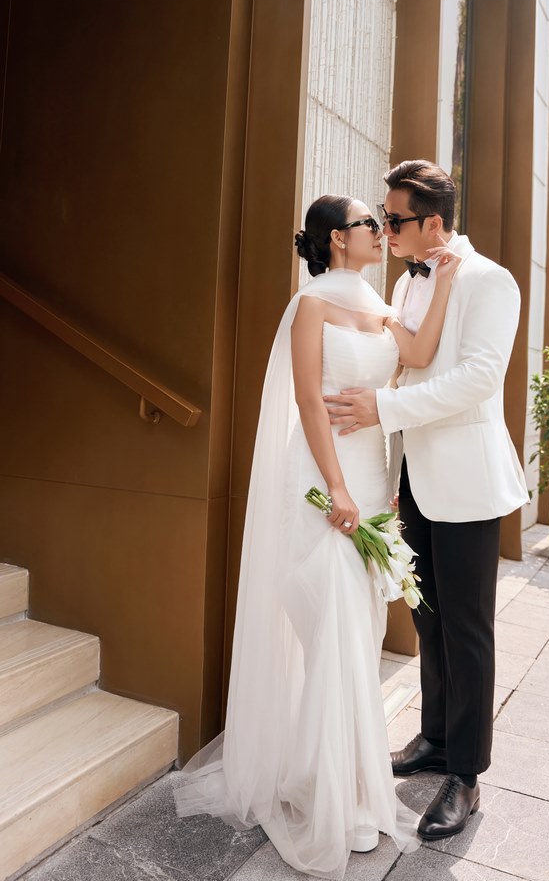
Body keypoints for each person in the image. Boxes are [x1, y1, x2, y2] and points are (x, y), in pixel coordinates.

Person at [173, 193, 461, 880]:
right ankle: (336, 801)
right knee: (333, 627)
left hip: (370, 481)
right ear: (337, 238)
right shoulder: (311, 305)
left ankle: (338, 783)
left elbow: (419, 352)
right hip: (321, 481)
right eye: (369, 224)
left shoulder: (380, 304)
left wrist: (445, 282)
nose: (380, 232)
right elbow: (308, 400)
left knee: (357, 633)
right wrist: (335, 488)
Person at [324, 160, 529, 841]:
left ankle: (465, 774)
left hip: (467, 481)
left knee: (467, 629)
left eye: (395, 219)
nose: (385, 230)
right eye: (382, 218)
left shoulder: (490, 280)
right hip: (413, 476)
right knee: (429, 617)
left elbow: (477, 379)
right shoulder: (406, 281)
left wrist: (383, 410)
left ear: (433, 221)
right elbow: (408, 361)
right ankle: (435, 738)